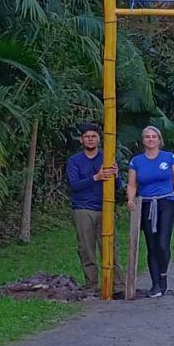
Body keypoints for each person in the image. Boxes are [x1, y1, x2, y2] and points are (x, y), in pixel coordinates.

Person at [65, 122, 125, 297]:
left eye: (93, 136)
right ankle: (91, 285)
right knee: (86, 248)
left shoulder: (107, 157)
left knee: (110, 247)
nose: (90, 139)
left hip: (105, 206)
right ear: (82, 140)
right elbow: (74, 185)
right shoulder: (75, 161)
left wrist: (116, 175)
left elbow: (117, 187)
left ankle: (118, 285)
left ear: (99, 139)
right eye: (86, 137)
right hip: (83, 208)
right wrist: (96, 177)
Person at [127, 126, 174, 298]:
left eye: (154, 137)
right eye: (147, 137)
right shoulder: (136, 161)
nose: (151, 139)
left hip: (166, 201)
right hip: (146, 203)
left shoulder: (169, 158)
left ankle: (163, 276)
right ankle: (155, 285)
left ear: (159, 140)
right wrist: (130, 200)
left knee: (162, 243)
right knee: (151, 245)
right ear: (143, 140)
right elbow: (132, 184)